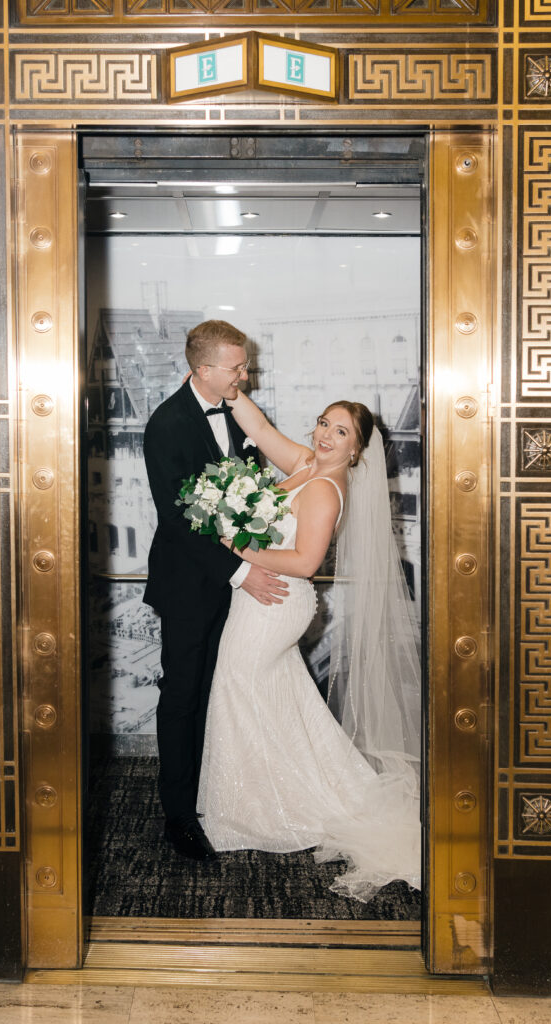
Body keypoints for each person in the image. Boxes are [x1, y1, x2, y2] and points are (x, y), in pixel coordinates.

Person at [196, 391, 422, 899]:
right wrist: (231, 388)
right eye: (324, 423)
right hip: (261, 601)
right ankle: (269, 795)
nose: (326, 435)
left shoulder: (324, 488)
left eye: (341, 432)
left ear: (356, 450)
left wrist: (239, 547)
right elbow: (260, 427)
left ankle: (255, 812)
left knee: (236, 687)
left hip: (277, 604)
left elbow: (305, 563)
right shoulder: (304, 461)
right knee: (280, 698)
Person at [143, 321, 288, 862]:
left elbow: (252, 495)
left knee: (225, 690)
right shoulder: (165, 426)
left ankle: (221, 794)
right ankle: (178, 815)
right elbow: (178, 522)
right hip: (189, 587)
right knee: (183, 696)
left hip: (239, 576)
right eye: (237, 367)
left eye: (245, 365)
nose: (245, 376)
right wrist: (241, 573)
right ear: (202, 369)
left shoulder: (237, 410)